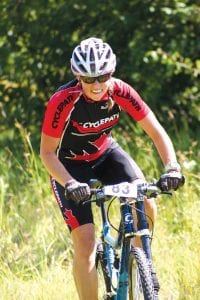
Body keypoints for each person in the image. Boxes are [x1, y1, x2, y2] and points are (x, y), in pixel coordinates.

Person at [40, 37, 184, 300]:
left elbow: (155, 131)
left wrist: (172, 167)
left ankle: (140, 268)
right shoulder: (62, 101)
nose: (96, 85)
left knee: (147, 201)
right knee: (85, 241)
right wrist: (70, 183)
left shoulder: (121, 91)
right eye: (88, 78)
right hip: (69, 166)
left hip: (106, 153)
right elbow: (47, 154)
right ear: (78, 76)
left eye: (103, 76)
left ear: (112, 73)